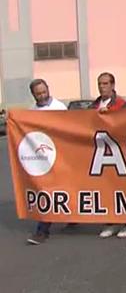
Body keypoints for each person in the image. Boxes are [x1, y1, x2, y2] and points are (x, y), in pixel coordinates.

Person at [90, 73, 126, 239]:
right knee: (106, 189)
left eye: (105, 83)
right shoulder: (93, 105)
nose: (102, 87)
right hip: (101, 154)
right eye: (99, 84)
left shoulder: (123, 104)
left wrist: (110, 116)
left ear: (112, 85)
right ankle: (110, 222)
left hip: (120, 153)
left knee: (124, 189)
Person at [25, 79, 68, 245]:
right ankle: (42, 230)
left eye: (44, 92)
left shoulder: (59, 107)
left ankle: (70, 218)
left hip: (61, 157)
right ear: (33, 95)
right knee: (46, 192)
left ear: (48, 90)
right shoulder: (32, 111)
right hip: (44, 160)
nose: (42, 96)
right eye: (38, 94)